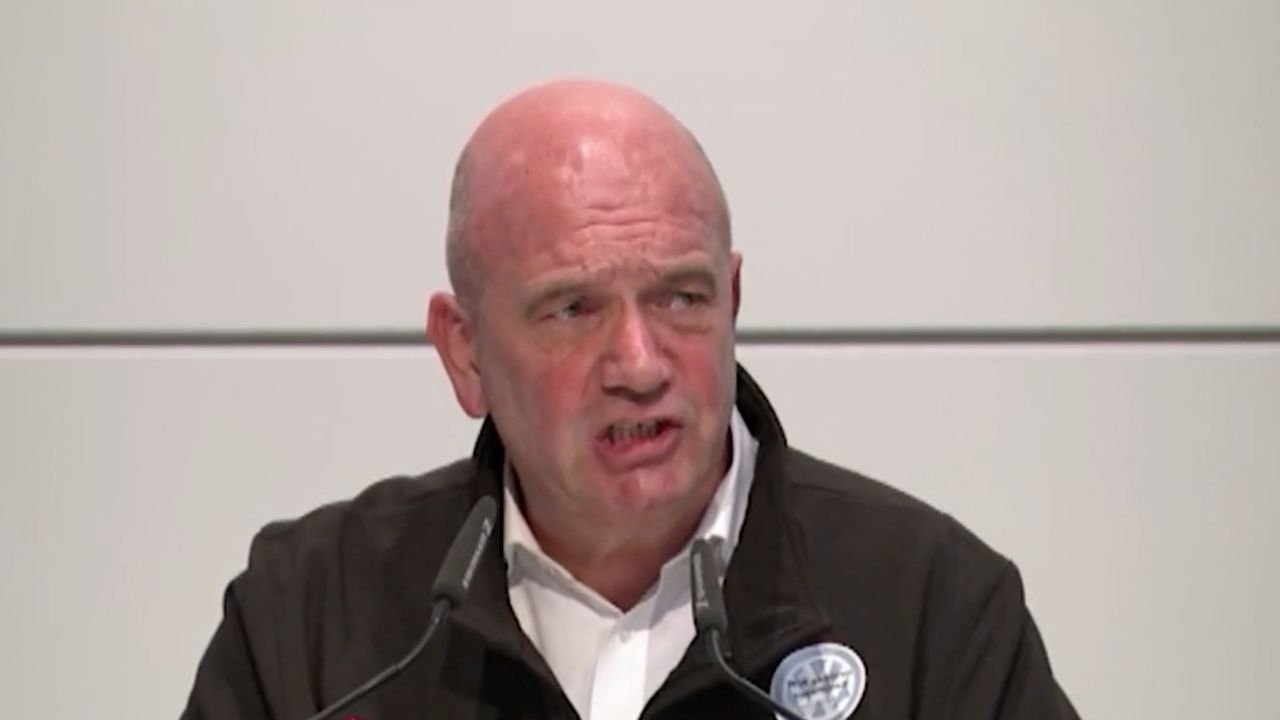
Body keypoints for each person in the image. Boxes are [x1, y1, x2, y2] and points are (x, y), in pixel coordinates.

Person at [182, 79, 1078, 720]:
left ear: (734, 301)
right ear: (465, 352)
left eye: (681, 298)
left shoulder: (934, 607)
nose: (640, 365)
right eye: (573, 310)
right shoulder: (312, 617)